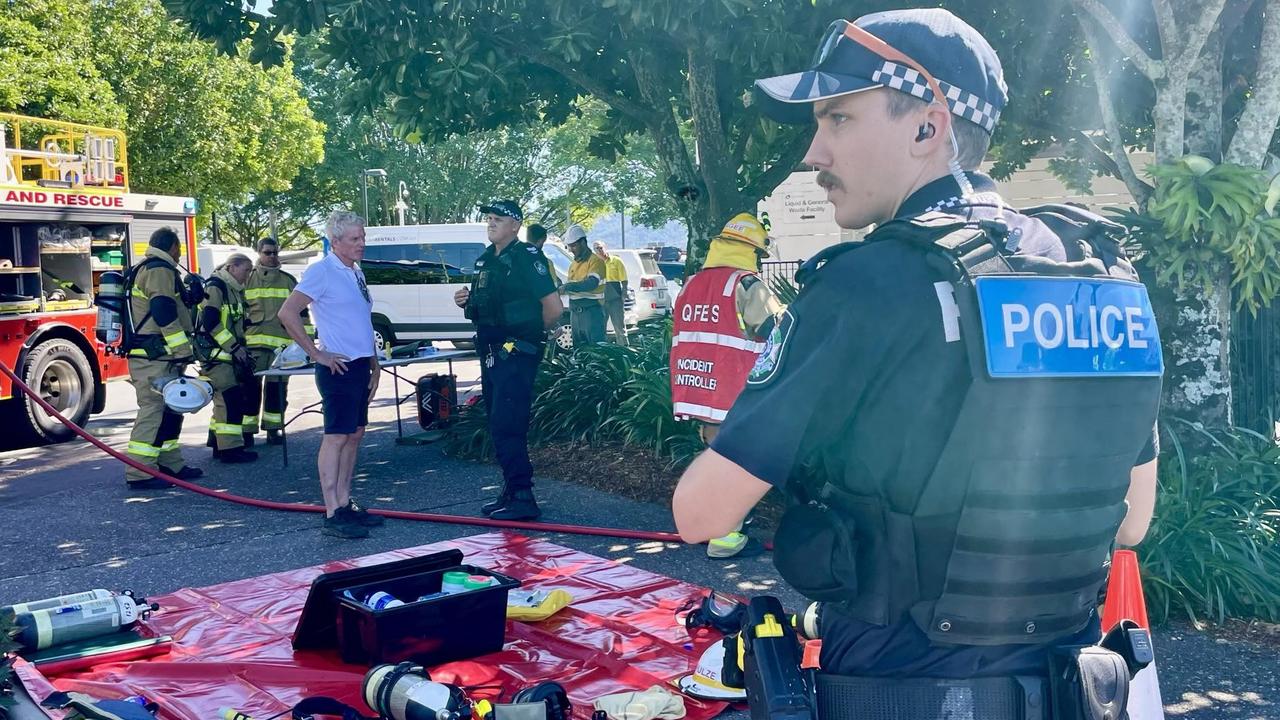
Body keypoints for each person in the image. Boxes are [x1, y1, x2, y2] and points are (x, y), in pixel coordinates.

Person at [671, 7, 1162, 709]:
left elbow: (700, 512)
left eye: (837, 119)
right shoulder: (1100, 272)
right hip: (1067, 690)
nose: (814, 153)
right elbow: (1130, 520)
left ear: (928, 126)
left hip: (897, 691)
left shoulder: (866, 283)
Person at [669, 213, 781, 558]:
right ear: (750, 251)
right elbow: (772, 329)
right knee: (739, 460)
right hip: (734, 388)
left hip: (700, 387)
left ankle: (708, 523)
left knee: (714, 454)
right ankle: (726, 536)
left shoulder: (692, 284)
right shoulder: (746, 284)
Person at [277, 211, 385, 539]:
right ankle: (331, 510)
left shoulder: (356, 272)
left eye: (363, 237)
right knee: (337, 436)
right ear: (335, 241)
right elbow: (287, 312)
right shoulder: (321, 271)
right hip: (337, 367)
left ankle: (345, 501)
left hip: (359, 364)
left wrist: (373, 362)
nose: (361, 244)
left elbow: (360, 321)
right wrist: (317, 353)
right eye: (354, 239)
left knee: (355, 434)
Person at [453, 200, 562, 520]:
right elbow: (488, 307)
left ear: (515, 226)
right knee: (498, 423)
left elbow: (554, 308)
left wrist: (526, 338)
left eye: (498, 219)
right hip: (490, 351)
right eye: (488, 218)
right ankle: (512, 490)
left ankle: (523, 496)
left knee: (509, 422)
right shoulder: (487, 260)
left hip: (514, 353)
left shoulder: (527, 258)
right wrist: (466, 301)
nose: (491, 223)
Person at [121, 227, 204, 489]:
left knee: (170, 411)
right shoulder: (159, 270)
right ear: (174, 248)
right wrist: (182, 350)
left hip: (159, 356)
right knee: (153, 410)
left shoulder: (151, 269)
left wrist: (192, 297)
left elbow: (173, 306)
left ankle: (170, 463)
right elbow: (163, 312)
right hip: (154, 357)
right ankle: (140, 472)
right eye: (179, 250)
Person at [196, 254, 258, 464]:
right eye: (246, 270)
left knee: (224, 402)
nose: (248, 276)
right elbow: (211, 321)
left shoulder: (233, 289)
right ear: (232, 267)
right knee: (230, 400)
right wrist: (234, 348)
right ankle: (231, 450)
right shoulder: (217, 286)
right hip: (217, 356)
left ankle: (218, 443)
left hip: (225, 356)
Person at [243, 237, 304, 446]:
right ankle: (247, 431)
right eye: (267, 253)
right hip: (252, 345)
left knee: (277, 390)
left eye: (275, 253)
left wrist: (306, 343)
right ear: (258, 253)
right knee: (250, 389)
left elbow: (301, 313)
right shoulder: (246, 279)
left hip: (281, 347)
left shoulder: (288, 280)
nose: (272, 257)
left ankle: (273, 429)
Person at [560, 225, 606, 345]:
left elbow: (591, 283)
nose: (571, 250)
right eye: (569, 247)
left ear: (583, 242)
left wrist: (568, 287)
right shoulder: (574, 264)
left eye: (573, 246)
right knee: (579, 353)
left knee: (595, 352)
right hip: (575, 314)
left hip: (591, 313)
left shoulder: (595, 261)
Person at [594, 241, 629, 346]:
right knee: (600, 327)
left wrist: (624, 294)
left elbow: (624, 279)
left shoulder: (616, 261)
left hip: (615, 298)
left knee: (619, 327)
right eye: (596, 248)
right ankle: (602, 351)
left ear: (605, 247)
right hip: (601, 298)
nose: (599, 250)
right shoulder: (594, 264)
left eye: (600, 248)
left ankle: (624, 351)